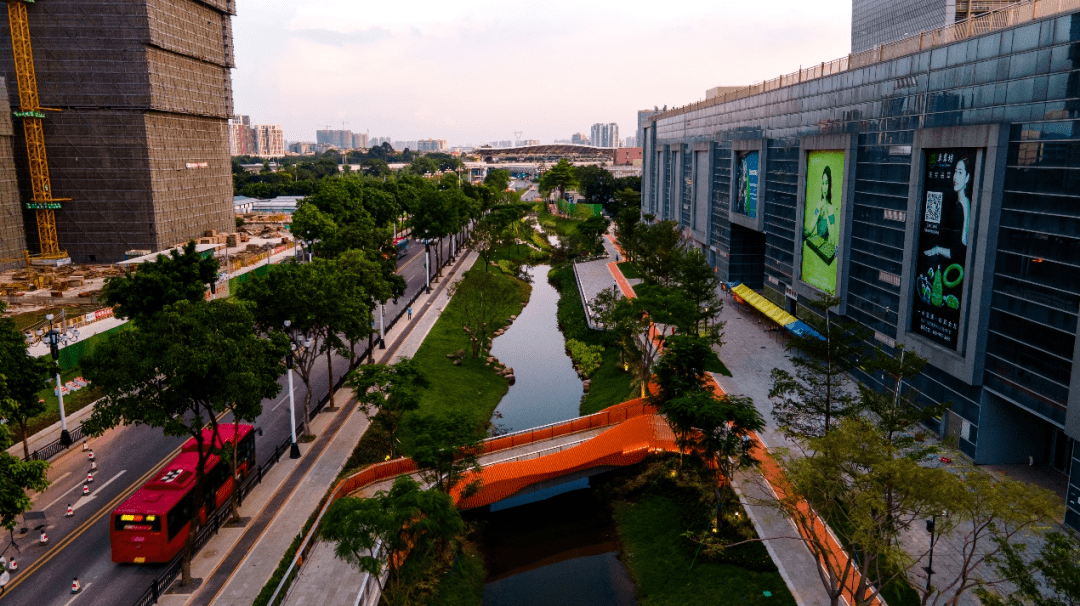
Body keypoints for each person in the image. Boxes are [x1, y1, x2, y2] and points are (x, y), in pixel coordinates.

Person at [804, 165, 836, 244]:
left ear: (829, 186)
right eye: (823, 183)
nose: (824, 187)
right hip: (816, 246)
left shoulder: (831, 209)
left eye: (826, 183)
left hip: (825, 250)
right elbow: (811, 229)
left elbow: (832, 239)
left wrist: (827, 213)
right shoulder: (819, 205)